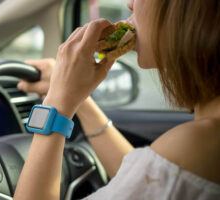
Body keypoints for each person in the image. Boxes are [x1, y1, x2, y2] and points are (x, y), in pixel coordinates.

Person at [13, 0, 220, 199]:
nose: (130, 3)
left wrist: (57, 102)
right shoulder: (200, 146)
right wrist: (77, 99)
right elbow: (140, 181)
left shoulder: (196, 143)